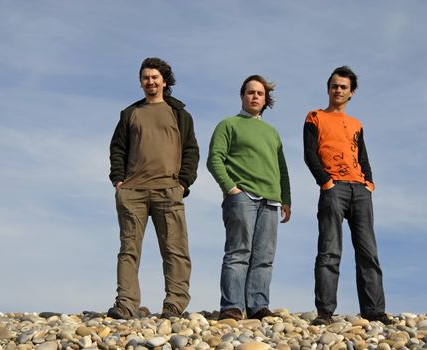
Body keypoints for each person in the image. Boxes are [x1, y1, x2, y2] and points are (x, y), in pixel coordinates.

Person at [108, 57, 199, 319]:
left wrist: (183, 183)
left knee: (175, 249)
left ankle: (174, 304)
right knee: (128, 250)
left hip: (168, 190)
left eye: (155, 77)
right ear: (141, 82)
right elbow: (118, 149)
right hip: (133, 192)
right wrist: (118, 180)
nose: (150, 81)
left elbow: (191, 150)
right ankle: (125, 304)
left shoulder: (179, 114)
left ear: (164, 81)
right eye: (146, 77)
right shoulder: (130, 113)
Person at [303, 66, 393, 325]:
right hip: (334, 189)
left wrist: (369, 183)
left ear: (351, 92)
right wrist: (326, 182)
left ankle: (374, 311)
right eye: (334, 85)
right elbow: (310, 154)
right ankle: (325, 312)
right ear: (328, 88)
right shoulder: (314, 117)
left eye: (343, 87)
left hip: (360, 191)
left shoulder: (356, 124)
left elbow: (363, 156)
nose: (338, 90)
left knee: (368, 252)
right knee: (330, 250)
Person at [207, 75, 291, 321]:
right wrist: (231, 188)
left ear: (266, 100)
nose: (255, 96)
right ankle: (232, 306)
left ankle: (257, 305)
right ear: (242, 96)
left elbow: (282, 168)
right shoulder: (228, 124)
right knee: (238, 252)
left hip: (271, 201)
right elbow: (215, 159)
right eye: (250, 92)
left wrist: (286, 199)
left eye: (260, 93)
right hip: (242, 197)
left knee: (264, 257)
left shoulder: (272, 132)